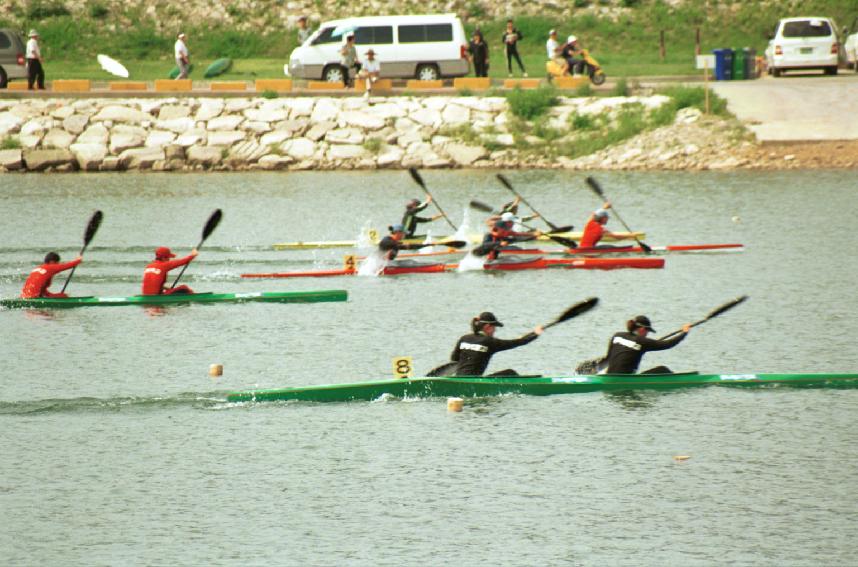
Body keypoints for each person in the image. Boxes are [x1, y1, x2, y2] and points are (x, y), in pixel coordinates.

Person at [449, 311, 544, 376]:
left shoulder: (464, 338)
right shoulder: (490, 342)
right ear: (487, 326)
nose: (495, 330)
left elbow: (454, 359)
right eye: (494, 327)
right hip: (475, 381)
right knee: (510, 373)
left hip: (459, 377)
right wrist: (535, 334)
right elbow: (518, 342)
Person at [603, 315, 691, 374]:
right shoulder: (643, 341)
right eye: (648, 331)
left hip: (608, 376)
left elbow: (608, 357)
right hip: (626, 379)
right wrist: (684, 333)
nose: (647, 333)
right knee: (663, 370)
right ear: (642, 329)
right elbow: (668, 344)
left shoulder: (617, 336)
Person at [474, 212, 540, 260]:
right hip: (490, 243)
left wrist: (533, 235)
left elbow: (517, 235)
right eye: (512, 222)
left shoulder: (507, 227)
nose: (513, 223)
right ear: (508, 222)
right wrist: (499, 243)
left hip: (500, 241)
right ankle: (489, 260)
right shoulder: (496, 227)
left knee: (516, 242)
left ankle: (496, 258)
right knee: (493, 249)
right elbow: (485, 244)